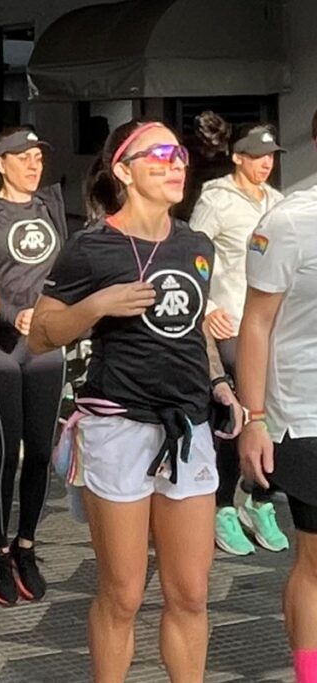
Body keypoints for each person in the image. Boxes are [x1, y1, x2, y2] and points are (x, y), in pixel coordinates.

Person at [28, 120, 242, 682]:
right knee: (122, 594)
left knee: (191, 593)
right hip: (118, 427)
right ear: (123, 170)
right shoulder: (91, 246)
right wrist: (97, 305)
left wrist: (219, 382)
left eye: (180, 154)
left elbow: (192, 329)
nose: (176, 164)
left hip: (188, 428)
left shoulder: (195, 244)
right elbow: (41, 335)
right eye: (160, 154)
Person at [0, 127, 68, 606]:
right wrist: (12, 314)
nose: (34, 165)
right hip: (0, 345)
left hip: (47, 345)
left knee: (41, 451)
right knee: (7, 451)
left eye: (38, 157)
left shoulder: (51, 206)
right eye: (23, 157)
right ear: (0, 163)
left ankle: (26, 544)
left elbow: (66, 274)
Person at [237, 111, 317, 683]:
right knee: (315, 561)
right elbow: (256, 323)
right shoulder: (290, 221)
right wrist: (254, 418)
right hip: (306, 414)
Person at [190, 113, 289, 556]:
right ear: (237, 157)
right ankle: (222, 506)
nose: (266, 163)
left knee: (275, 412)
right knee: (238, 413)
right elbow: (193, 257)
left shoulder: (277, 202)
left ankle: (259, 497)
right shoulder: (217, 199)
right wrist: (209, 308)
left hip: (273, 324)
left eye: (270, 156)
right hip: (232, 320)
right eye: (257, 155)